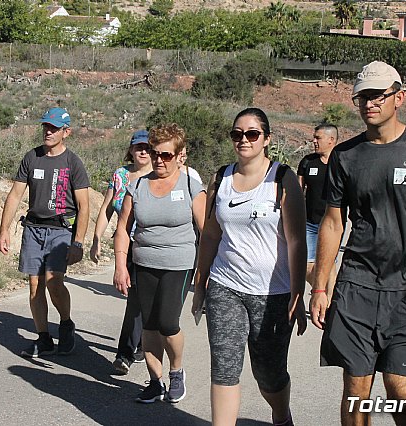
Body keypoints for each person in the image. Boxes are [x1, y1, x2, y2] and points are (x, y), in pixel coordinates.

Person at [310, 61, 406, 426]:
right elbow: (332, 222)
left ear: (399, 97)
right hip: (357, 285)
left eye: (377, 95)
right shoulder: (346, 155)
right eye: (362, 97)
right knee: (356, 389)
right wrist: (320, 286)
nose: (369, 103)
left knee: (399, 388)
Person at [192, 107, 307, 426]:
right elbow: (211, 235)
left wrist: (299, 295)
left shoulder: (283, 179)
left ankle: (281, 416)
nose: (244, 140)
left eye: (252, 134)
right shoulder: (221, 178)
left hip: (273, 294)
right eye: (237, 134)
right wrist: (200, 286)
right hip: (225, 287)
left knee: (268, 373)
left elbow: (297, 241)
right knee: (224, 366)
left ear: (266, 139)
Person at [112, 123, 206, 404]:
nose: (159, 160)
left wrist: (206, 270)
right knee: (150, 326)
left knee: (167, 322)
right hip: (143, 262)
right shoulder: (137, 185)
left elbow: (207, 231)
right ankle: (155, 381)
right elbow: (123, 229)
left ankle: (176, 372)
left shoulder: (191, 185)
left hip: (179, 263)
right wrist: (120, 265)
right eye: (155, 154)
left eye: (166, 155)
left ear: (180, 156)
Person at [0, 107, 90, 358]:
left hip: (61, 230)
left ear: (66, 132)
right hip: (34, 228)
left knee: (53, 281)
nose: (48, 132)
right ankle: (44, 337)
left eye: (54, 128)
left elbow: (84, 206)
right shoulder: (32, 157)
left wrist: (78, 243)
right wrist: (4, 229)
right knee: (35, 284)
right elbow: (15, 194)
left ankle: (66, 323)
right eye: (45, 127)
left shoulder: (73, 162)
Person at [90, 130, 153, 374]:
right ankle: (128, 351)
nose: (143, 152)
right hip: (126, 245)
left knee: (146, 302)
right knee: (135, 298)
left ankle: (138, 344)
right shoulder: (120, 176)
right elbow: (107, 208)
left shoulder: (159, 175)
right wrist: (96, 239)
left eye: (147, 147)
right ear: (131, 150)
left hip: (150, 245)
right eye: (138, 147)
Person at [297, 124, 338, 300]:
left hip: (333, 224)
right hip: (309, 223)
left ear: (331, 140)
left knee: (330, 265)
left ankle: (330, 304)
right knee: (306, 265)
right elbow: (298, 192)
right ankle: (322, 293)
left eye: (318, 138)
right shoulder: (307, 162)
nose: (314, 141)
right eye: (314, 137)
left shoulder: (341, 163)